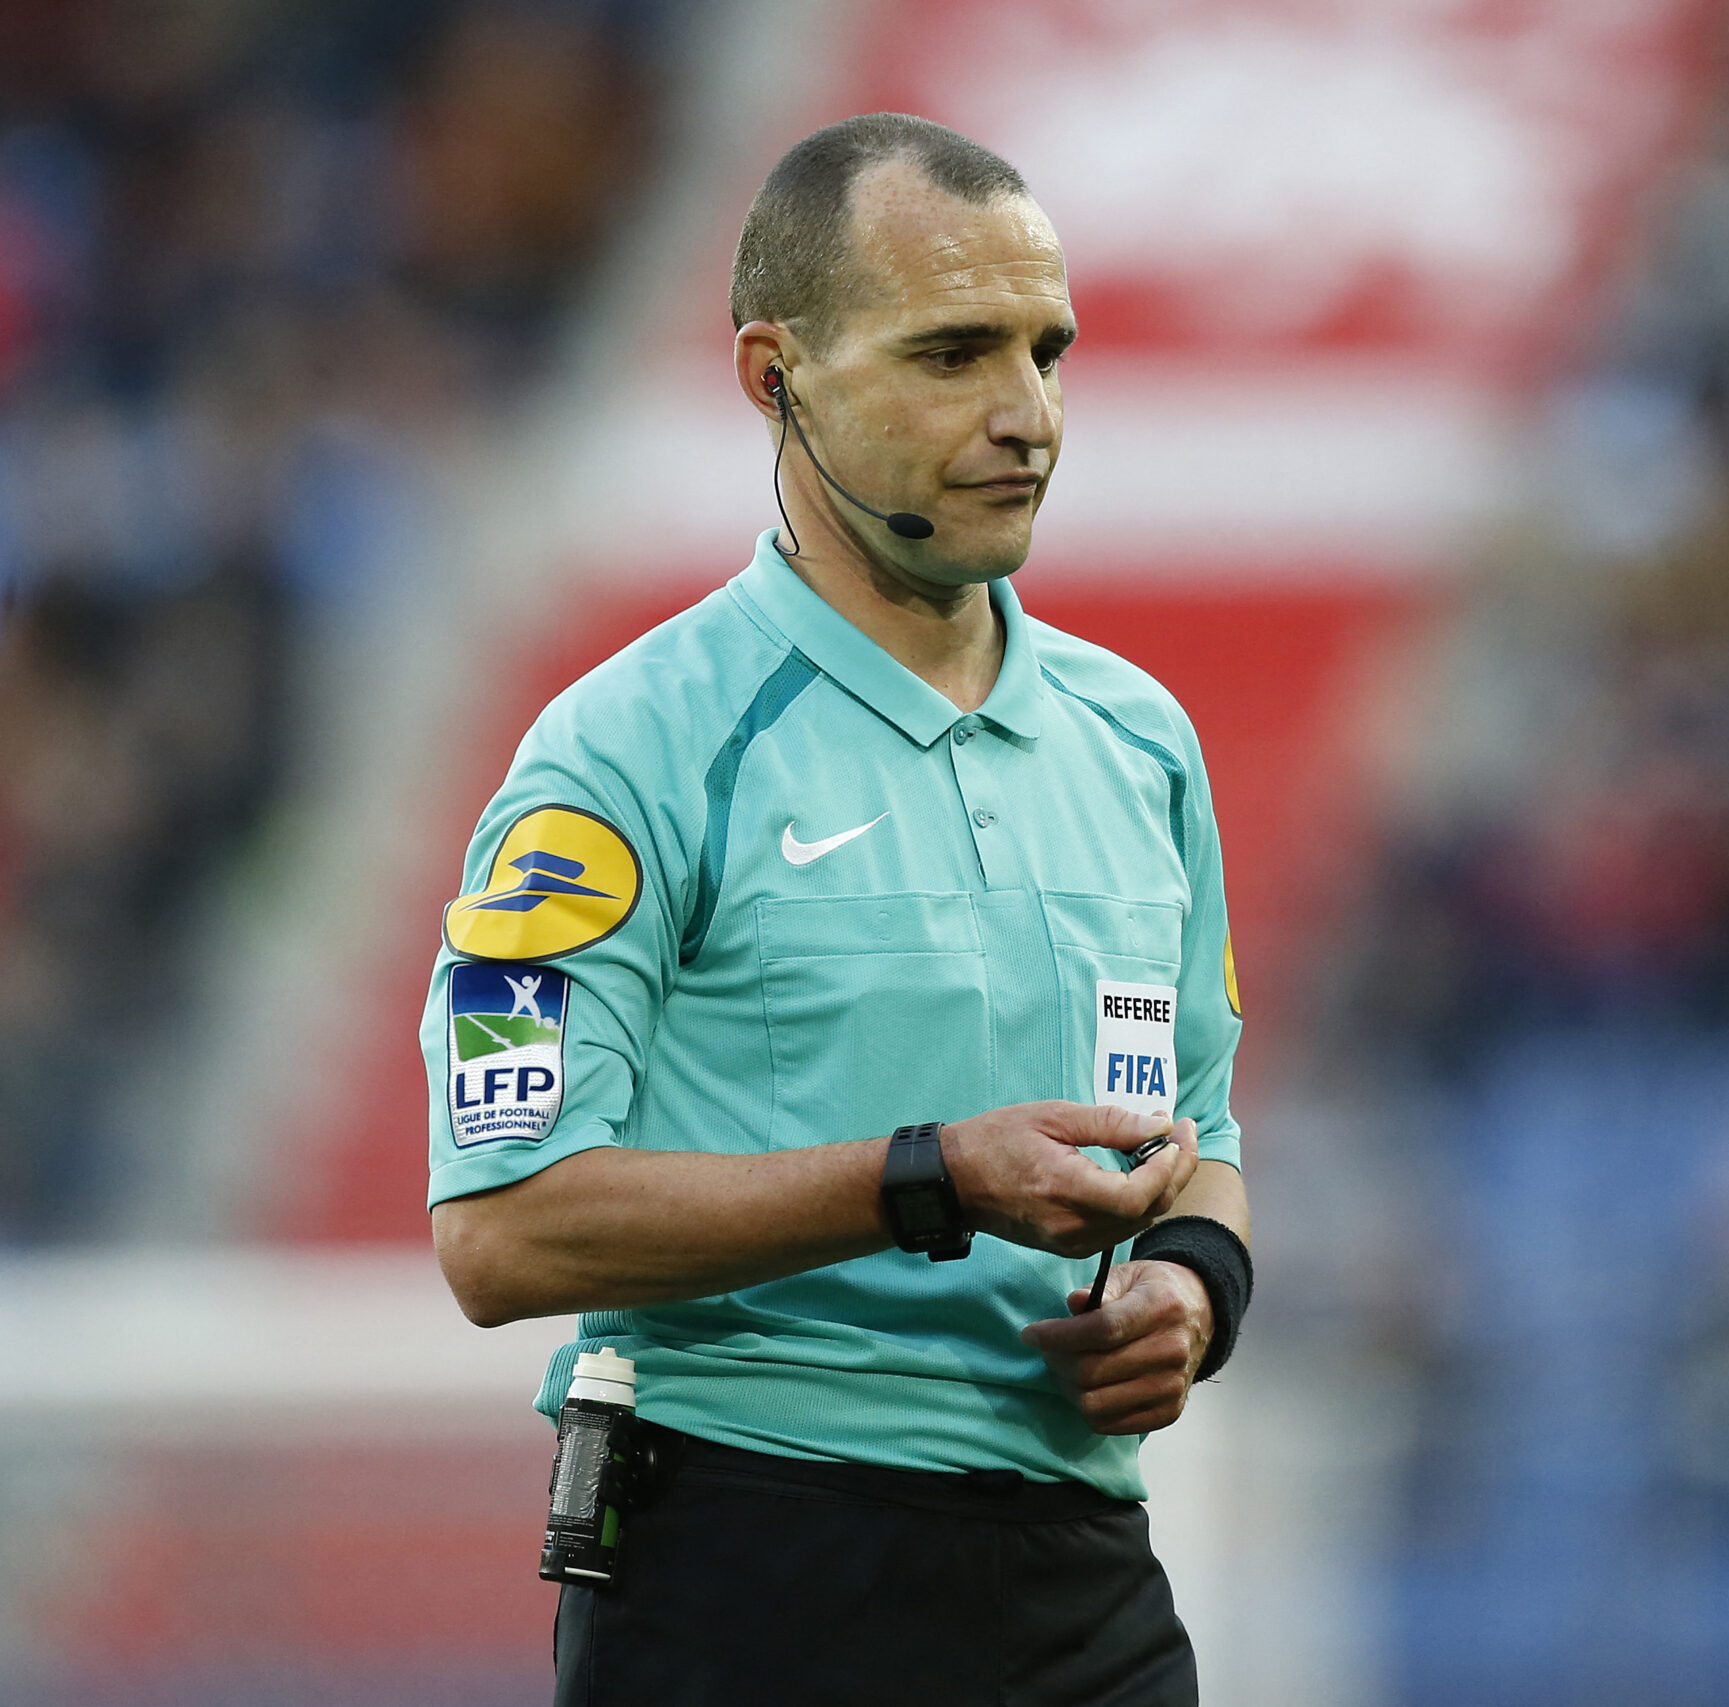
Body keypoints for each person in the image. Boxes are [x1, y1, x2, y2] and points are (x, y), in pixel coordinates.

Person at [422, 114, 1252, 1707]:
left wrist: (1196, 1286)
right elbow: (500, 1230)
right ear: (771, 374)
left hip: (1085, 1584)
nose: (1027, 416)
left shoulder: (1141, 741)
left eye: (1047, 351)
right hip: (748, 1563)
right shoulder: (618, 758)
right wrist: (926, 1179)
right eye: (952, 353)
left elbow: (1199, 1128)